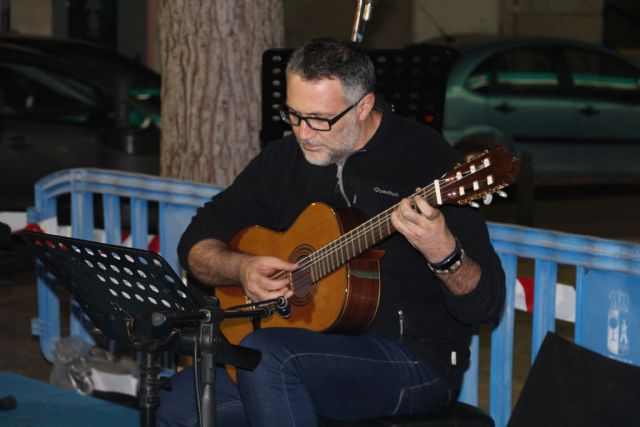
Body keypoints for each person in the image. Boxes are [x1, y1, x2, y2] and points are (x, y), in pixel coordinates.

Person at [157, 38, 505, 427]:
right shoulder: (284, 159)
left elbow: (485, 304)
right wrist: (241, 268)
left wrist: (444, 252)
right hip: (294, 348)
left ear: (365, 106)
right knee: (174, 405)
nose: (305, 133)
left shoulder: (429, 162)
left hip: (411, 360)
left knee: (268, 355)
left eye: (320, 119)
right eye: (294, 114)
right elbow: (197, 244)